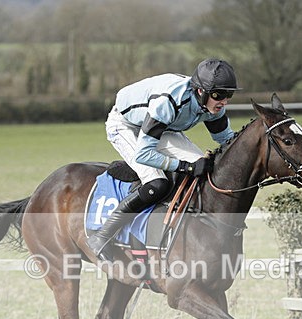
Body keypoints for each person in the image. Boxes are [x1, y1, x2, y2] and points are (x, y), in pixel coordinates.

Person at [87, 58, 241, 261]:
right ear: (201, 91)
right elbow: (144, 153)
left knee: (205, 171)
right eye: (219, 95)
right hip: (126, 126)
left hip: (163, 127)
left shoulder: (212, 106)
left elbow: (226, 140)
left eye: (228, 95)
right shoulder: (169, 102)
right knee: (157, 183)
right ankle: (102, 235)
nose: (224, 101)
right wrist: (185, 167)